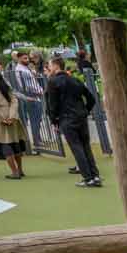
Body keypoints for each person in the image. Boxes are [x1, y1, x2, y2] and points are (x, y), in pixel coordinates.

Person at [44, 57, 101, 187]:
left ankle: (88, 178)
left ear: (56, 66)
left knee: (77, 147)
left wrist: (54, 121)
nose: (49, 68)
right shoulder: (75, 80)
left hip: (66, 118)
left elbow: (52, 104)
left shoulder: (53, 82)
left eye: (50, 65)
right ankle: (95, 176)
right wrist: (85, 111)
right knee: (85, 146)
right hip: (80, 117)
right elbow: (91, 98)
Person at [10, 54, 48, 154]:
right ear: (19, 59)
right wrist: (37, 92)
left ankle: (38, 138)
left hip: (36, 96)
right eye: (24, 58)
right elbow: (25, 86)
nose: (27, 60)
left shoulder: (26, 68)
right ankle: (36, 141)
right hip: (32, 97)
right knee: (35, 119)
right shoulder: (20, 70)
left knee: (38, 119)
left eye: (27, 58)